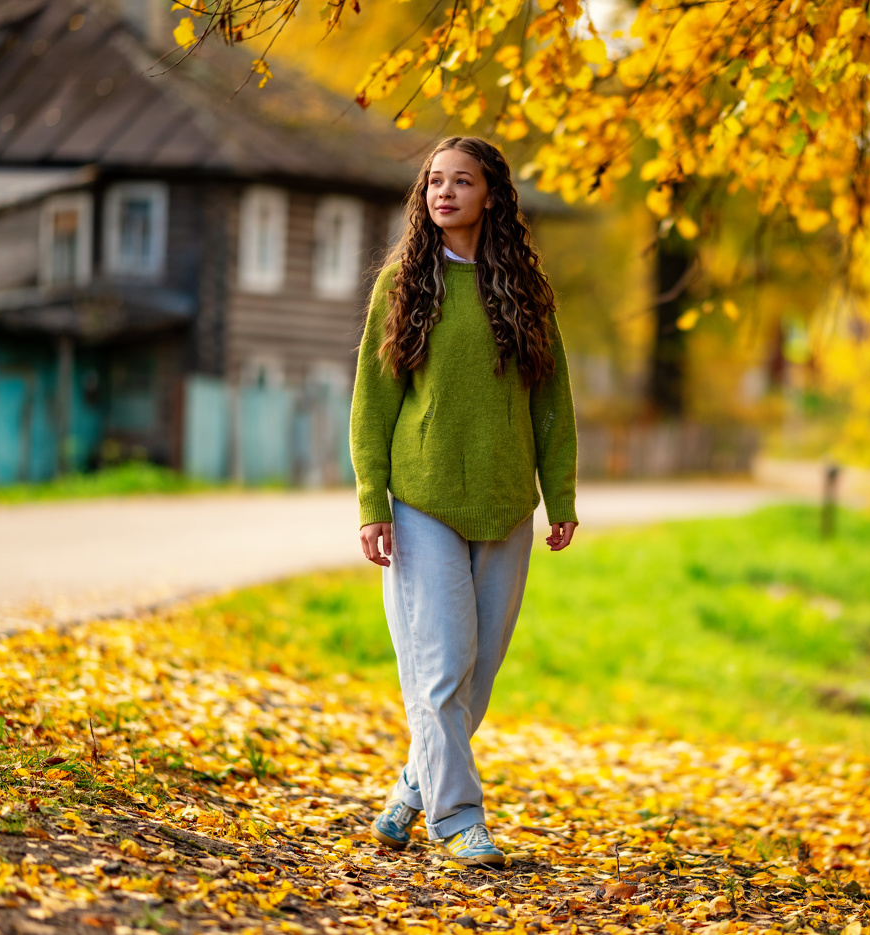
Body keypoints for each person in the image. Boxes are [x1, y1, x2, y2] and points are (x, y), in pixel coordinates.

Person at [350, 136, 578, 867]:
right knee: (443, 666)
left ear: (491, 195)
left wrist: (560, 494)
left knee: (474, 678)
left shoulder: (526, 291)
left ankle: (411, 788)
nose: (444, 193)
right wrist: (372, 501)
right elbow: (372, 401)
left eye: (461, 181)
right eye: (434, 182)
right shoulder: (403, 285)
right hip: (423, 498)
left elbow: (552, 401)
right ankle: (458, 820)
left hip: (507, 501)